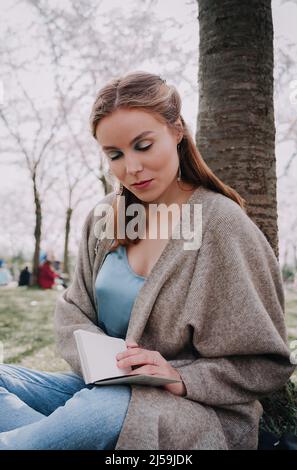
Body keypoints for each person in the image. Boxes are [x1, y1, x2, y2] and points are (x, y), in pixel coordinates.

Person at [0, 71, 295, 450]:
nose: (131, 167)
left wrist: (179, 376)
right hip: (101, 391)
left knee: (100, 412)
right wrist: (108, 362)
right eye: (115, 155)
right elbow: (73, 309)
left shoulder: (222, 225)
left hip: (195, 410)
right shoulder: (106, 217)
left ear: (177, 131)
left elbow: (267, 363)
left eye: (143, 145)